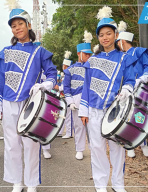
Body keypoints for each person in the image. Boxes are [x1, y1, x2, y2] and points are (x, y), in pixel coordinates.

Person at [0, 6, 57, 192]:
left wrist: (44, 85)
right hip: (8, 101)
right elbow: (0, 78)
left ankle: (31, 183)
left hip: (31, 104)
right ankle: (16, 182)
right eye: (13, 25)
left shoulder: (40, 51)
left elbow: (52, 74)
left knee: (31, 144)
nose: (17, 28)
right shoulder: (6, 51)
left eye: (20, 24)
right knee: (11, 145)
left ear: (28, 25)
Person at [79, 6, 136, 192]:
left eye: (109, 33)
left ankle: (118, 184)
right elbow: (85, 87)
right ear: (98, 38)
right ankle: (101, 185)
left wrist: (127, 88)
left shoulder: (124, 58)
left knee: (118, 148)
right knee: (97, 149)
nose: (105, 37)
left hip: (115, 111)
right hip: (94, 110)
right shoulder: (91, 61)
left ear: (116, 34)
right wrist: (84, 111)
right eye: (101, 34)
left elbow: (130, 79)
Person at [116, 21, 148, 158]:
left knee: (140, 116)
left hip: (141, 89)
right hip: (126, 90)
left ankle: (143, 144)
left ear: (123, 41)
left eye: (118, 41)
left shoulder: (139, 51)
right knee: (126, 116)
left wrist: (142, 78)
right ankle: (129, 144)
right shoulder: (120, 56)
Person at [64, 31, 93, 160]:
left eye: (89, 54)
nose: (88, 56)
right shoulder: (69, 70)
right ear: (79, 54)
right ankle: (80, 149)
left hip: (91, 99)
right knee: (78, 126)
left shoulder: (93, 67)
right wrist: (70, 102)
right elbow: (66, 88)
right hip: (76, 100)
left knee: (92, 126)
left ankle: (94, 148)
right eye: (86, 54)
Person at [57, 51, 74, 139]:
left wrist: (58, 88)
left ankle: (69, 133)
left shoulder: (69, 74)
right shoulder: (64, 75)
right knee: (62, 115)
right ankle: (60, 132)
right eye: (63, 65)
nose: (63, 67)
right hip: (63, 97)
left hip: (68, 97)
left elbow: (64, 87)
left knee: (68, 117)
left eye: (65, 66)